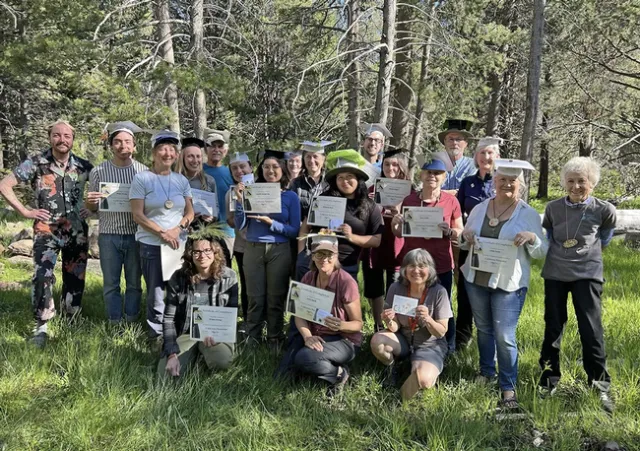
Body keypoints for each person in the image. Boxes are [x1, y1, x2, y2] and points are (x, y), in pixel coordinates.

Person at [460, 159, 547, 411]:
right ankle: (487, 372)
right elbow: (465, 240)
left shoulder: (528, 214)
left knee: (505, 335)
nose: (507, 184)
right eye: (502, 180)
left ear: (520, 184)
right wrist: (466, 237)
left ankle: (508, 386)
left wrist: (532, 237)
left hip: (509, 284)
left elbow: (542, 251)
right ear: (494, 182)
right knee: (484, 329)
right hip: (476, 279)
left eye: (512, 181)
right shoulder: (480, 208)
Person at [0, 120, 93, 346]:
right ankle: (41, 326)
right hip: (46, 231)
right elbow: (4, 185)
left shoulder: (84, 166)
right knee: (43, 275)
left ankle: (71, 321)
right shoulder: (36, 163)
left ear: (73, 139)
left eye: (67, 136)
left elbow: (106, 190)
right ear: (50, 137)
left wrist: (93, 208)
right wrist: (25, 211)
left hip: (77, 232)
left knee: (75, 277)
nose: (62, 140)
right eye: (57, 135)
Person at [537, 157, 616, 412]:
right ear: (564, 183)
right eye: (570, 181)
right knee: (553, 327)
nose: (576, 186)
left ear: (592, 183)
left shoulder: (604, 209)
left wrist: (586, 254)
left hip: (587, 274)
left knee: (591, 329)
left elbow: (605, 238)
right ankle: (548, 380)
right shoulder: (553, 208)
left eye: (582, 181)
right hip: (555, 273)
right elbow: (550, 236)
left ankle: (599, 384)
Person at [391, 159, 463, 354]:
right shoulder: (409, 201)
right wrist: (395, 223)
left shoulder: (451, 201)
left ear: (444, 177)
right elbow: (399, 232)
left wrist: (450, 232)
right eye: (428, 172)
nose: (432, 176)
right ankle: (410, 343)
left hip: (440, 264)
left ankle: (448, 346)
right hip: (413, 266)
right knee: (409, 302)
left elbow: (459, 230)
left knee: (444, 308)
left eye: (437, 173)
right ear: (421, 175)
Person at [130, 130, 194, 343]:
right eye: (162, 149)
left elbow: (190, 212)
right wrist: (162, 233)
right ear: (153, 153)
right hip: (151, 244)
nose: (167, 153)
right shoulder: (142, 179)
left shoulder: (181, 180)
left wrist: (177, 229)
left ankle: (178, 330)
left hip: (177, 244)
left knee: (178, 289)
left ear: (176, 154)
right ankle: (156, 335)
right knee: (156, 292)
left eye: (172, 149)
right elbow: (138, 215)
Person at [234, 149, 301, 350]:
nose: (270, 171)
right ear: (261, 170)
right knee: (255, 297)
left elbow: (294, 230)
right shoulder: (251, 191)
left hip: (279, 250)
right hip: (253, 248)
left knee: (275, 297)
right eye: (266, 167)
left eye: (275, 167)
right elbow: (240, 224)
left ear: (283, 169)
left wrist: (271, 223)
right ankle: (253, 337)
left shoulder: (290, 196)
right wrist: (240, 201)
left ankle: (274, 337)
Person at [85, 121, 147, 325]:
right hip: (108, 235)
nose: (123, 146)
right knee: (111, 283)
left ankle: (131, 320)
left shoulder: (143, 171)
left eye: (127, 142)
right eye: (118, 142)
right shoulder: (99, 171)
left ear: (134, 145)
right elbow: (93, 208)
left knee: (134, 283)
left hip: (135, 234)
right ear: (111, 145)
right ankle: (114, 321)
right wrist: (90, 202)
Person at [370, 249, 452, 400]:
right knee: (377, 340)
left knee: (424, 381)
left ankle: (397, 401)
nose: (416, 271)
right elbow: (395, 327)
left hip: (429, 345)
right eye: (411, 266)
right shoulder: (396, 288)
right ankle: (391, 368)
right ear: (404, 270)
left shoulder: (439, 292)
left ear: (430, 270)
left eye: (422, 266)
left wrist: (428, 319)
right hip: (403, 338)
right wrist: (388, 320)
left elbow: (441, 332)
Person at [291, 234, 363, 397]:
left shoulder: (346, 282)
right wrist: (308, 337)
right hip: (317, 334)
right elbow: (299, 314)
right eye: (319, 254)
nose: (324, 259)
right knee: (288, 368)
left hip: (344, 339)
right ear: (312, 256)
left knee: (304, 358)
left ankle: (340, 374)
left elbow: (358, 324)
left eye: (329, 254)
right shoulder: (308, 277)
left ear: (336, 256)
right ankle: (321, 368)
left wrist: (341, 325)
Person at [297, 149, 384, 282]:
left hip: (347, 266)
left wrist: (351, 236)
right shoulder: (323, 199)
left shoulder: (369, 206)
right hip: (317, 263)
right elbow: (305, 227)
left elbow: (376, 240)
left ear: (358, 179)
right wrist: (301, 254)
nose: (345, 181)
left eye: (349, 176)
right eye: (340, 177)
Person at [160, 237, 238, 377]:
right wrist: (171, 354)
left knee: (221, 361)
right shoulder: (178, 278)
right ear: (190, 254)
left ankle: (203, 359)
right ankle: (192, 356)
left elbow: (232, 314)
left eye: (207, 250)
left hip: (215, 334)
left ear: (215, 252)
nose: (202, 256)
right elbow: (168, 319)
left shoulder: (229, 277)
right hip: (187, 333)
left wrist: (219, 335)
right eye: (197, 252)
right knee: (166, 376)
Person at [455, 137, 500, 349]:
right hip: (470, 245)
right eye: (482, 153)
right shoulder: (467, 183)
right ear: (476, 156)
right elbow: (457, 213)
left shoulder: (502, 182)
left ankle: (491, 338)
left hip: (495, 247)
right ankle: (462, 338)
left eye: (490, 153)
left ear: (497, 156)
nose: (486, 157)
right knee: (465, 292)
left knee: (491, 292)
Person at [362, 148, 410, 331]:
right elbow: (362, 217)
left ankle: (394, 328)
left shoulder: (410, 192)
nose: (390, 168)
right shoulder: (372, 190)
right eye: (387, 164)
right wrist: (370, 205)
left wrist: (399, 212)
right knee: (374, 288)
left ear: (402, 167)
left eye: (395, 164)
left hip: (397, 245)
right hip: (375, 243)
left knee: (395, 287)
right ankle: (378, 326)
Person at [226, 152, 253, 323]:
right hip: (243, 246)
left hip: (264, 243)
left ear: (251, 167)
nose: (239, 171)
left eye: (242, 166)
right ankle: (248, 319)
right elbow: (230, 221)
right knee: (246, 283)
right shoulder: (230, 193)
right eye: (234, 168)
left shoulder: (264, 188)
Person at [203, 129, 234, 265]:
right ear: (206, 149)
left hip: (226, 231)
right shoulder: (197, 171)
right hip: (202, 230)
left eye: (220, 146)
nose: (216, 150)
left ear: (225, 150)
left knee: (225, 269)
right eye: (212, 146)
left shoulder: (231, 172)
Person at [289, 140, 332, 220]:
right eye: (308, 156)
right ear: (304, 159)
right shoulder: (295, 183)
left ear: (323, 159)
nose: (312, 161)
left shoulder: (331, 183)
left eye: (315, 156)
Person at [437, 119, 476, 194]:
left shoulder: (473, 165)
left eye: (458, 139)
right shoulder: (435, 164)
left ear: (466, 143)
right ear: (445, 142)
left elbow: (468, 191)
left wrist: (438, 193)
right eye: (450, 139)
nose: (454, 143)